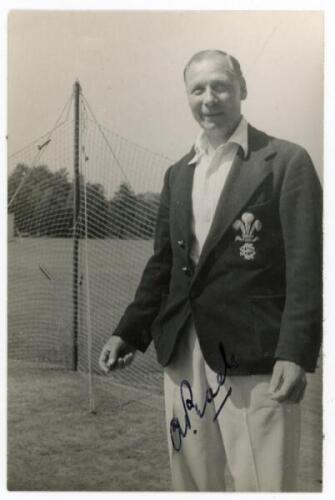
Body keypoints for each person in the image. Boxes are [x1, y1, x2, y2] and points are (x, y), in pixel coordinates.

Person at [99, 50, 322, 492]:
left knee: (264, 484)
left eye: (219, 85)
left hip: (256, 356)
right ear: (187, 96)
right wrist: (129, 331)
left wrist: (295, 353)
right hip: (184, 352)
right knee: (194, 484)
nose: (209, 98)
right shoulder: (178, 174)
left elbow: (307, 267)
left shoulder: (287, 161)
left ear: (242, 88)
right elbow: (164, 265)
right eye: (197, 89)